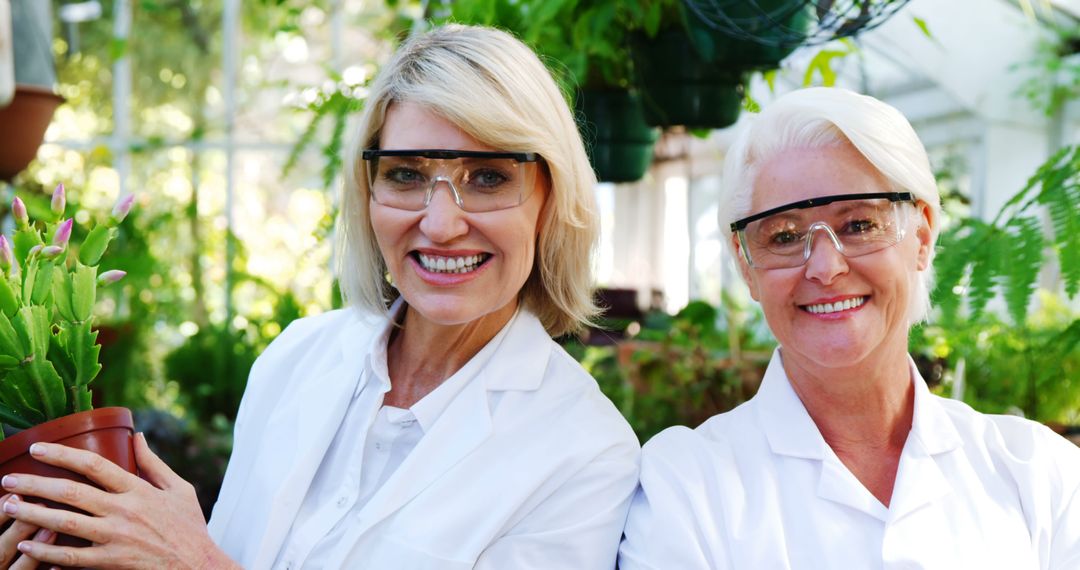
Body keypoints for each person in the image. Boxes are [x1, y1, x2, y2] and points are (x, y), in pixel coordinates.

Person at [0, 24, 640, 569]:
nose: (441, 223)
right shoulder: (298, 356)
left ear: (550, 200)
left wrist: (193, 560)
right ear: (367, 194)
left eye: (490, 177)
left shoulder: (585, 452)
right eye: (407, 175)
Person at [618, 87, 1080, 569]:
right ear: (745, 263)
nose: (825, 266)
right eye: (785, 236)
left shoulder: (1041, 477)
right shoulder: (687, 488)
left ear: (921, 236)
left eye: (859, 224)